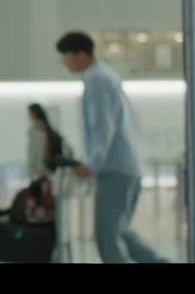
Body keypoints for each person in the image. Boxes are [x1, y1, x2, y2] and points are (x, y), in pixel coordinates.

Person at [56, 31, 170, 264]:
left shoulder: (96, 79)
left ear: (81, 54)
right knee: (121, 232)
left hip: (114, 169)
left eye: (65, 56)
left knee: (107, 238)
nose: (63, 62)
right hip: (126, 166)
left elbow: (102, 126)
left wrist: (93, 164)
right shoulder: (105, 76)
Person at [27, 103, 65, 181]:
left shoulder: (37, 131)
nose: (28, 115)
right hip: (46, 171)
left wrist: (36, 170)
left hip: (40, 172)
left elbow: (38, 152)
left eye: (29, 112)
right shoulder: (45, 129)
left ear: (34, 113)